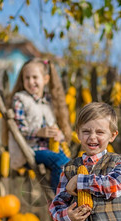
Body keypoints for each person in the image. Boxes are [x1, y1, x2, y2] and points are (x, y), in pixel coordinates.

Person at [9, 58, 71, 192]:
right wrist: (39, 132)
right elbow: (18, 129)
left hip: (49, 149)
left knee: (71, 166)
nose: (31, 82)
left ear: (46, 79)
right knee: (59, 162)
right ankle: (59, 199)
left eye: (35, 77)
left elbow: (52, 125)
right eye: (27, 78)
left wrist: (58, 135)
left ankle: (70, 198)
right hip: (31, 150)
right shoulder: (20, 99)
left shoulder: (48, 101)